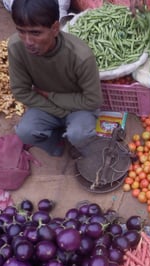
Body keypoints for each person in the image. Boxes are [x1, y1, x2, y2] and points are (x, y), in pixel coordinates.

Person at [7, 0, 103, 158]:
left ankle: (85, 152)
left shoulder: (80, 56)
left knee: (79, 134)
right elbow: (20, 91)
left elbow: (93, 101)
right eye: (21, 31)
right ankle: (56, 143)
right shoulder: (16, 47)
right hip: (46, 106)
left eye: (36, 33)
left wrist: (51, 96)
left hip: (79, 107)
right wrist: (59, 112)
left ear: (55, 28)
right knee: (25, 132)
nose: (28, 41)